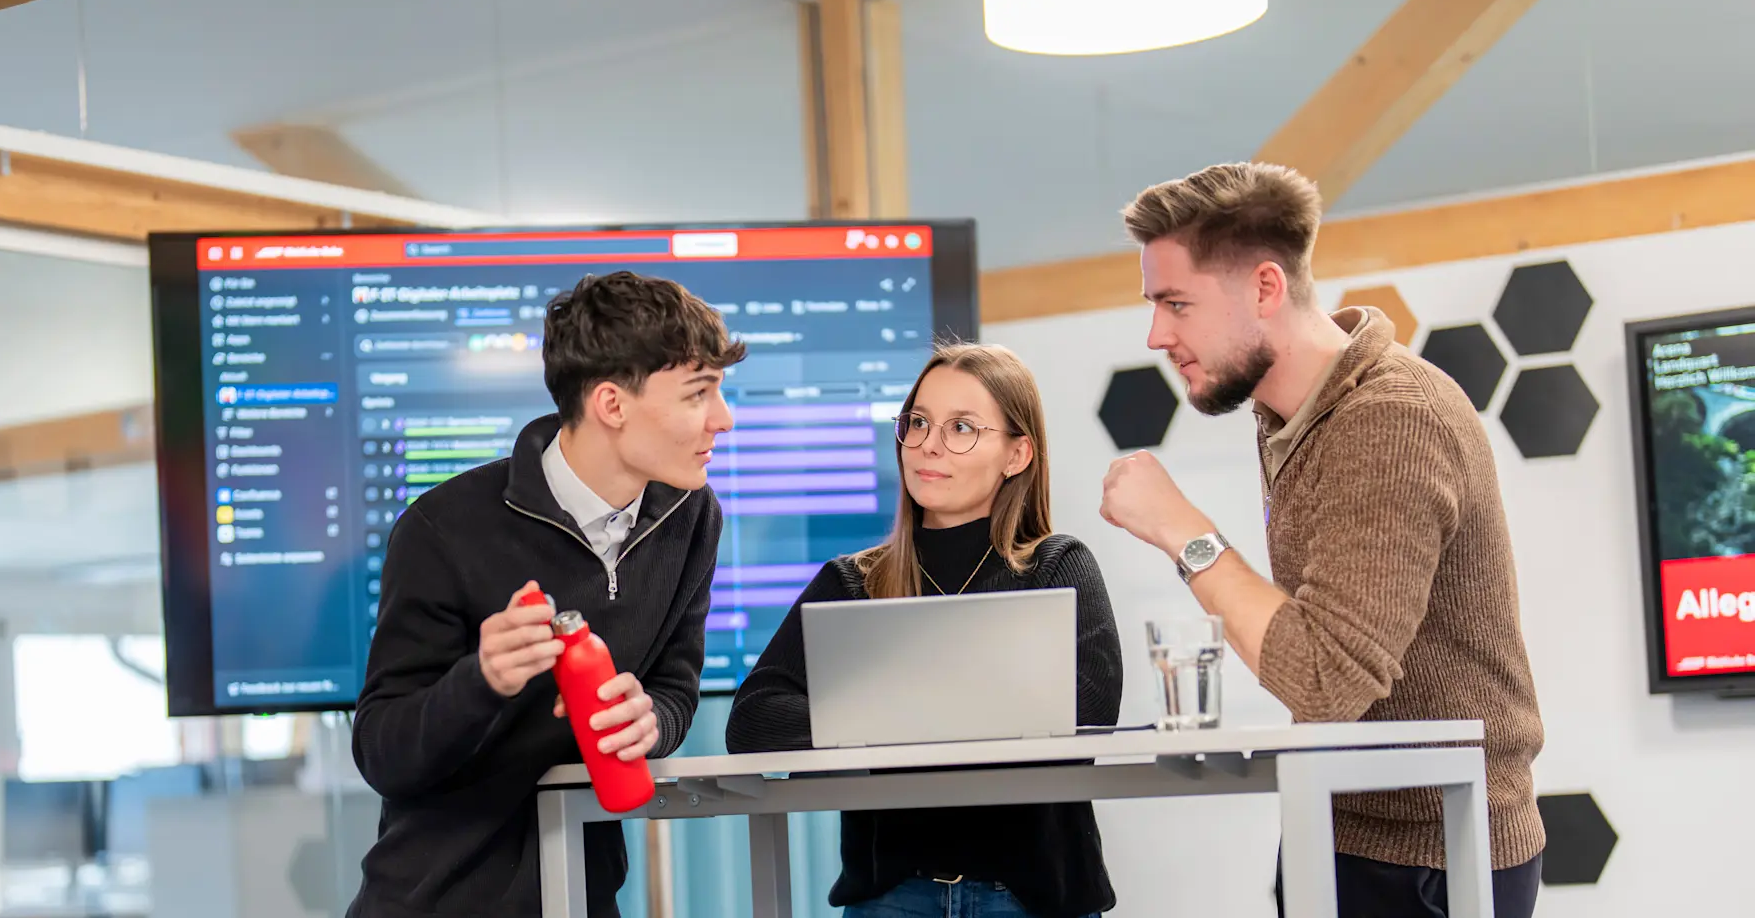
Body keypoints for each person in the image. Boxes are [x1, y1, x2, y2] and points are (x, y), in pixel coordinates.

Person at [1096, 161, 1546, 918]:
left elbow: (1325, 680)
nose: (1156, 333)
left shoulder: (1391, 420)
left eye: (1177, 304)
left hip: (1437, 857)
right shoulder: (1291, 416)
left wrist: (1184, 531)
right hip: (1341, 825)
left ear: (1266, 288)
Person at [347, 271, 745, 918]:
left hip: (583, 895)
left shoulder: (692, 518)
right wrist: (483, 681)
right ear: (611, 404)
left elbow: (674, 689)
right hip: (434, 901)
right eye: (698, 395)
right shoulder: (444, 528)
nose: (723, 420)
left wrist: (649, 721)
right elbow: (382, 751)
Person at [726, 342, 1123, 918]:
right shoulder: (852, 581)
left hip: (1033, 897)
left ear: (1017, 454)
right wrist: (970, 711)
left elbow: (1086, 711)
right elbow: (755, 721)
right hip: (892, 897)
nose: (929, 445)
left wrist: (871, 716)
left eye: (961, 427)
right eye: (918, 422)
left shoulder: (1056, 567)